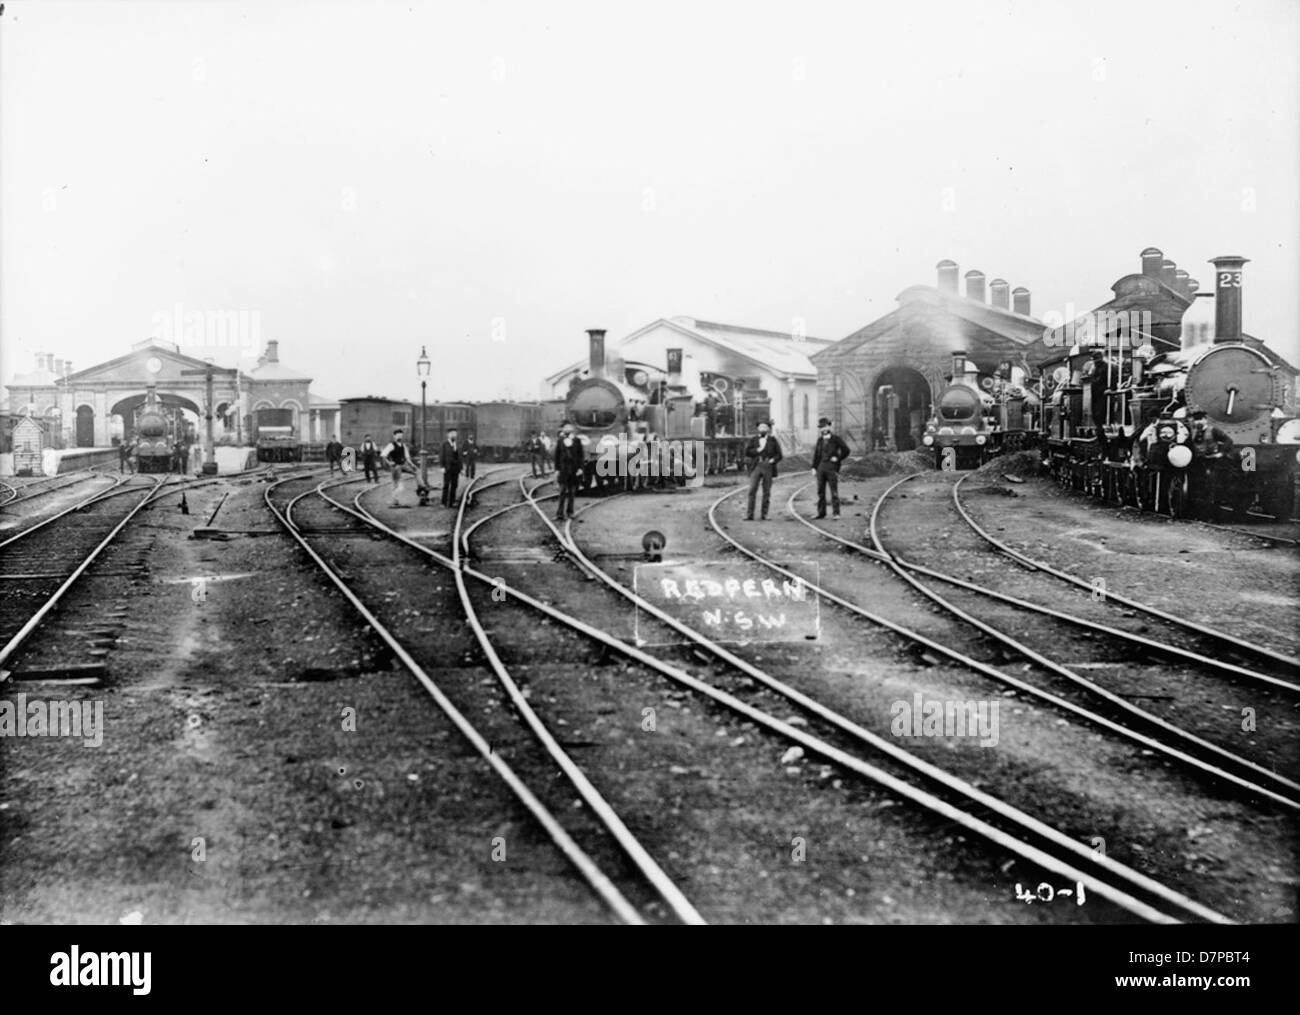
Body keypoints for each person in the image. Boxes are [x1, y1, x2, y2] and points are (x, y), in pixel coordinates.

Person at [811, 417, 851, 520]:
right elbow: (816, 455)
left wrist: (837, 458)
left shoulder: (836, 439)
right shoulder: (819, 440)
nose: (823, 429)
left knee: (834, 491)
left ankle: (836, 513)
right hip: (820, 468)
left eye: (825, 427)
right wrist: (814, 467)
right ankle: (821, 513)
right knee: (820, 491)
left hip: (831, 468)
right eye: (821, 427)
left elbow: (846, 450)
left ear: (829, 426)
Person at [743, 419, 783, 520]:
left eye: (765, 427)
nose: (763, 429)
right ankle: (749, 515)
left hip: (768, 467)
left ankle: (764, 514)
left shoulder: (773, 440)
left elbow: (779, 455)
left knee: (766, 491)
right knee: (752, 490)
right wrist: (757, 450)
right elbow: (747, 452)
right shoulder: (753, 440)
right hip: (756, 467)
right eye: (761, 427)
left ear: (768, 429)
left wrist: (772, 460)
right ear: (758, 429)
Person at [554, 424, 584, 520]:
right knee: (562, 492)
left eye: (569, 429)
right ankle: (559, 514)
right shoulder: (560, 441)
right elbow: (556, 456)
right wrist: (557, 469)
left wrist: (580, 468)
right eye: (565, 429)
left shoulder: (577, 441)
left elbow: (581, 456)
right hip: (563, 471)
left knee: (571, 493)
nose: (567, 430)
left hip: (574, 470)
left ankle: (570, 512)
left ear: (572, 431)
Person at [382, 429, 414, 507]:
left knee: (399, 484)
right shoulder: (391, 445)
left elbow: (407, 457)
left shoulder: (403, 445)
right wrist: (389, 463)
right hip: (395, 467)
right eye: (398, 435)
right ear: (394, 436)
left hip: (402, 465)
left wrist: (412, 465)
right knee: (396, 484)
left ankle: (395, 500)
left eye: (401, 435)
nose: (400, 436)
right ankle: (395, 501)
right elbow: (383, 455)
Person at [441, 427, 462, 507]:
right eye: (452, 434)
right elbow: (441, 456)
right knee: (446, 485)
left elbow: (460, 457)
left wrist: (461, 468)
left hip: (456, 468)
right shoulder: (444, 444)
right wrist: (442, 467)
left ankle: (452, 502)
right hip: (447, 467)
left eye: (455, 434)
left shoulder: (457, 444)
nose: (454, 435)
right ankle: (443, 502)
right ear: (448, 435)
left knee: (454, 485)